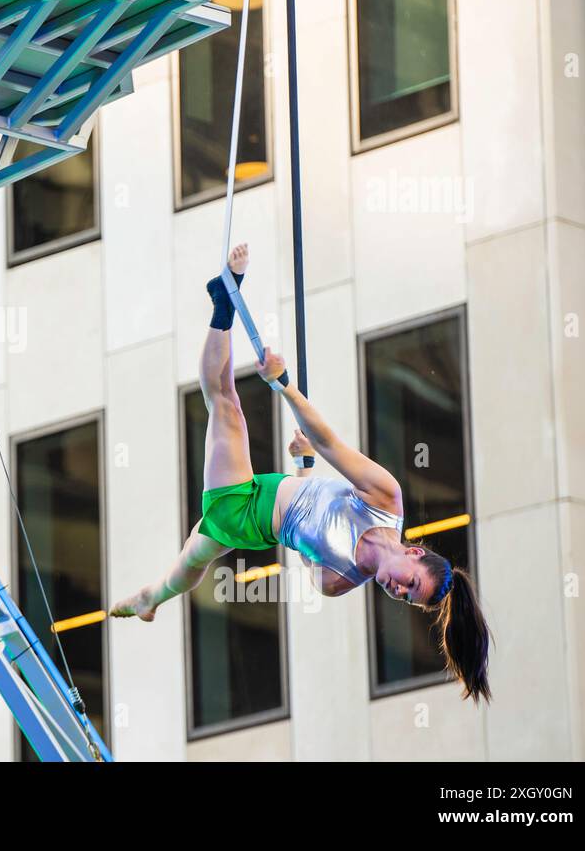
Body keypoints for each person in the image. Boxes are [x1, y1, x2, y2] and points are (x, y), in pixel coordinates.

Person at [111, 243, 491, 704]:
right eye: (410, 584)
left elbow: (303, 540)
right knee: (191, 562)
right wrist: (305, 458)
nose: (397, 590)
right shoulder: (386, 500)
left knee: (225, 402)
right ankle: (151, 599)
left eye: (405, 598)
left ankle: (222, 301)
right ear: (413, 553)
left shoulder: (339, 580)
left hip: (245, 512)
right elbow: (330, 442)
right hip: (264, 493)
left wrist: (284, 387)